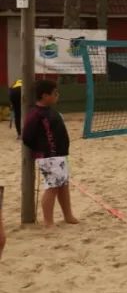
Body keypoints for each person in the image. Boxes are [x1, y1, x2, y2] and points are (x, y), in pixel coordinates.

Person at [21, 80, 78, 227]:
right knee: (52, 187)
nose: (57, 95)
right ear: (45, 95)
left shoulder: (51, 111)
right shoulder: (36, 114)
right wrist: (42, 149)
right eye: (55, 93)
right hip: (48, 156)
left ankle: (68, 215)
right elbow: (27, 137)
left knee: (63, 185)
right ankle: (48, 221)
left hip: (60, 154)